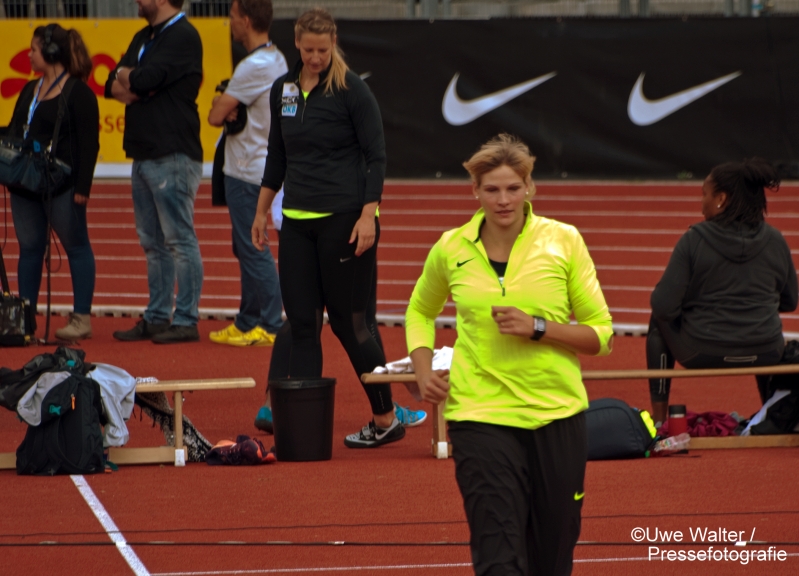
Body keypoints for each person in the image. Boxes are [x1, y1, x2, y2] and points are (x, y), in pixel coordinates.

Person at [406, 134, 613, 575]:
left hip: (557, 413)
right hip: (480, 413)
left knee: (552, 555)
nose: (503, 200)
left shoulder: (563, 241)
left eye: (513, 188)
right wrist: (424, 370)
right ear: (475, 192)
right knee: (497, 551)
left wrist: (538, 327)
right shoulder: (452, 247)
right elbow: (420, 311)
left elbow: (602, 335)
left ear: (530, 188)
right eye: (492, 189)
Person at [251, 8, 406, 448]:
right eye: (308, 50)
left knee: (349, 323)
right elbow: (277, 156)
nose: (316, 57)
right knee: (302, 323)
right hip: (296, 224)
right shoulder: (283, 90)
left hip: (344, 220)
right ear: (296, 45)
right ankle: (302, 427)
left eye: (323, 49)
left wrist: (367, 214)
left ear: (334, 42)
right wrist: (262, 212)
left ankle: (385, 418)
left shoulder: (352, 90)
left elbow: (376, 157)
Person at [647, 158, 797, 425]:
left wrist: (695, 304)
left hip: (701, 352)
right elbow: (790, 301)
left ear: (721, 199)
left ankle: (658, 422)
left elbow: (663, 306)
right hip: (765, 354)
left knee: (657, 320)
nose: (701, 202)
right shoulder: (775, 239)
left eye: (704, 194)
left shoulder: (694, 239)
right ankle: (768, 417)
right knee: (761, 325)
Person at [105, 0, 204, 344]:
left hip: (172, 152)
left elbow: (143, 78)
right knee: (151, 241)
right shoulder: (143, 36)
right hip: (143, 152)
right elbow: (110, 83)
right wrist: (130, 79)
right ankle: (158, 315)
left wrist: (133, 78)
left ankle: (187, 319)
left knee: (178, 238)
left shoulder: (183, 36)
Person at [5, 24, 99, 341]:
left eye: (33, 49)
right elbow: (16, 132)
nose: (29, 55)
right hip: (25, 184)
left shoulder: (79, 93)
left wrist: (83, 188)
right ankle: (25, 318)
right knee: (30, 248)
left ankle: (81, 318)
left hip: (63, 185)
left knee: (76, 246)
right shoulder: (30, 90)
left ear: (50, 52)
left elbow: (90, 143)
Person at [207, 0, 286, 347]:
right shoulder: (276, 58)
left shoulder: (254, 66)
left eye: (233, 17)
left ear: (247, 20)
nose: (230, 24)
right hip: (253, 164)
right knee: (245, 246)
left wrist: (223, 102)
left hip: (247, 168)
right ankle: (247, 319)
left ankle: (270, 323)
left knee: (253, 248)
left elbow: (215, 115)